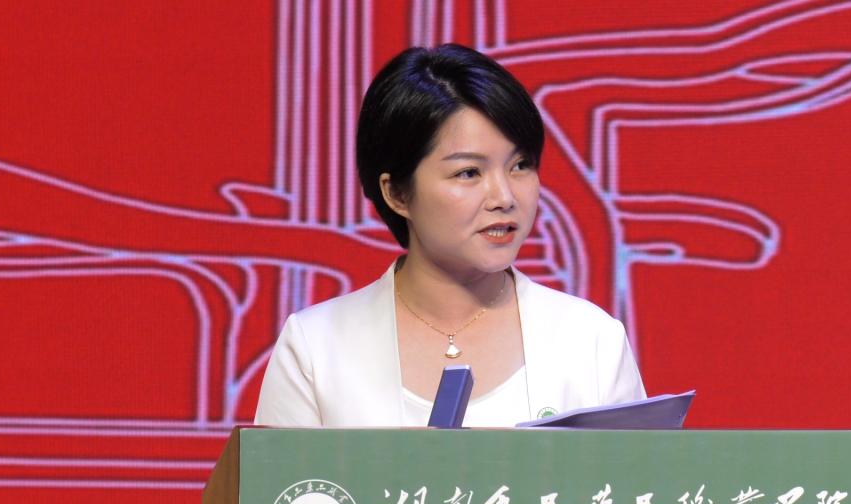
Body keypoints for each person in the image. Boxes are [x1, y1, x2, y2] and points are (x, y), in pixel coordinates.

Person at [254, 44, 644, 427]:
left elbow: (638, 472)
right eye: (468, 172)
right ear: (397, 193)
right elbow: (275, 472)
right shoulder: (315, 348)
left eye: (520, 165)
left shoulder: (592, 340)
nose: (504, 197)